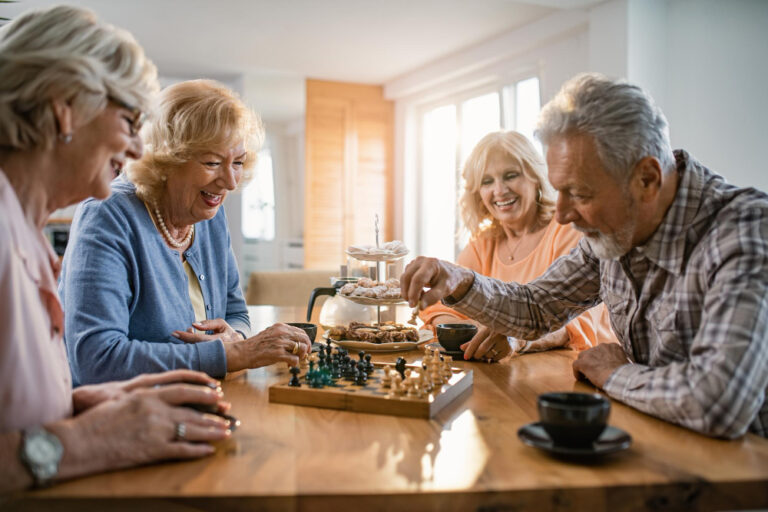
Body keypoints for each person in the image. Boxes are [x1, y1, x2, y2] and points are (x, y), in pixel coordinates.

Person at [401, 73, 768, 439]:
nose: (561, 215)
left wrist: (614, 373)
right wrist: (461, 280)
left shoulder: (745, 232)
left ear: (646, 179)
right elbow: (536, 307)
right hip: (651, 445)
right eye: (559, 191)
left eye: (579, 193)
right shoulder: (612, 234)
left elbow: (719, 401)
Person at [0, 6, 232, 493]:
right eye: (129, 120)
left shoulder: (23, 230)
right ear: (65, 107)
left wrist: (81, 404)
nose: (136, 151)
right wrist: (85, 441)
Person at [60, 79, 311, 385]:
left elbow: (236, 312)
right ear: (166, 160)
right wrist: (233, 355)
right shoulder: (107, 215)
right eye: (212, 162)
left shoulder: (209, 217)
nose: (231, 182)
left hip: (203, 398)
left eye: (239, 163)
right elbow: (95, 360)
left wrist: (237, 337)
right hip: (122, 415)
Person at [419, 131, 617, 362]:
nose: (500, 190)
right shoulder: (481, 245)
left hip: (578, 371)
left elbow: (575, 321)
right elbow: (442, 309)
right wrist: (468, 331)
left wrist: (516, 337)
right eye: (487, 181)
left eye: (510, 175)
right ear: (478, 192)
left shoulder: (569, 230)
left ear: (535, 178)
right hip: (507, 372)